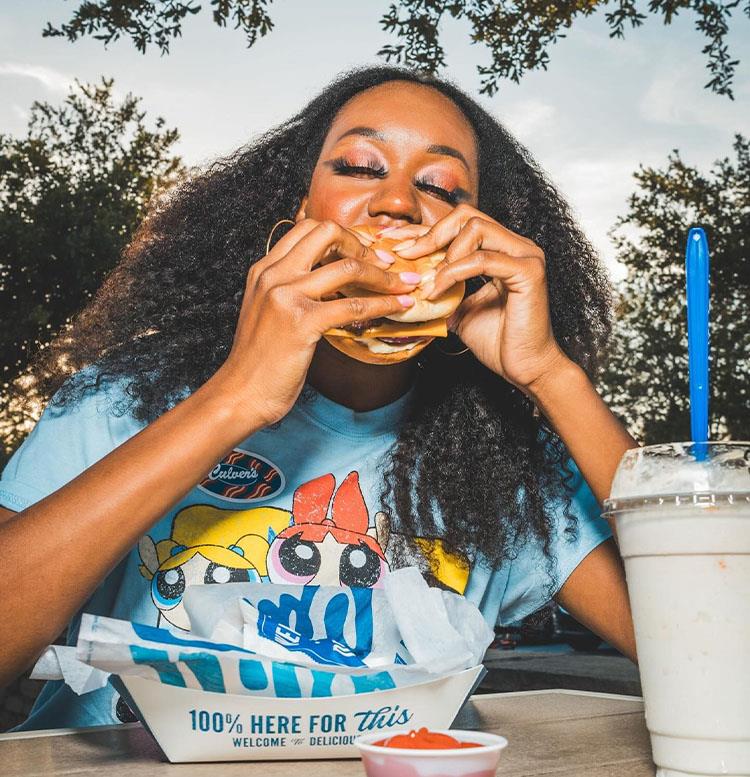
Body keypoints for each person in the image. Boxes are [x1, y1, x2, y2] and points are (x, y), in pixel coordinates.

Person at [0, 65, 637, 730]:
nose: (396, 201)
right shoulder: (127, 395)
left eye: (439, 185)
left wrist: (550, 375)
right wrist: (234, 399)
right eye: (361, 167)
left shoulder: (510, 466)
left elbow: (713, 650)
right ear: (298, 218)